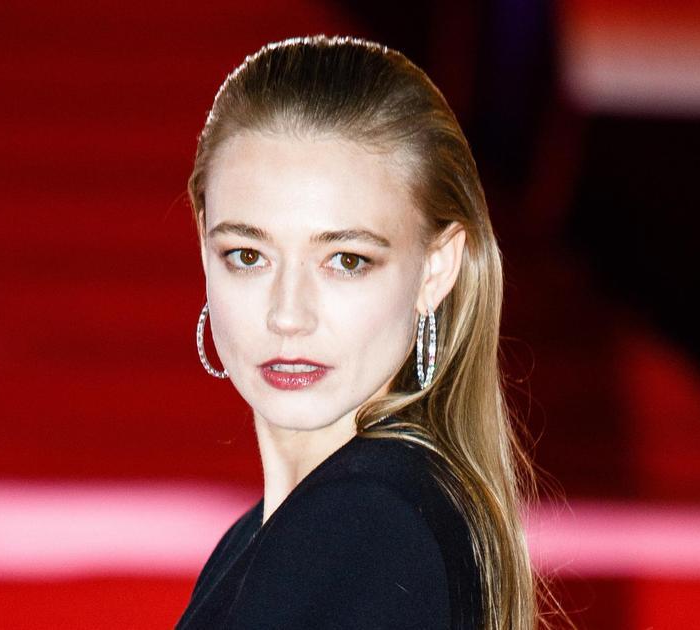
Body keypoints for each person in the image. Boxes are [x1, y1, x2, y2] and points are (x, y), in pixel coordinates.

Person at [175, 35, 567, 630]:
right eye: (248, 255)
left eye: (346, 260)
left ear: (435, 269)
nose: (288, 315)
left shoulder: (361, 524)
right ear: (205, 246)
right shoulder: (281, 530)